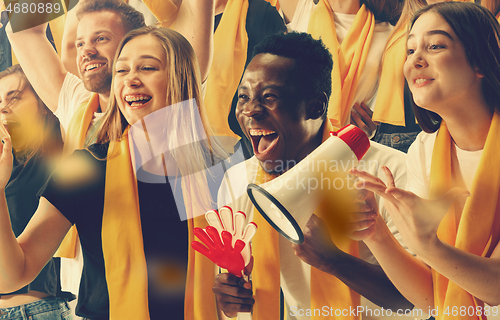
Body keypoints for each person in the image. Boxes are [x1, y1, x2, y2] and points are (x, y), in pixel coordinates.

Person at [0, 26, 225, 320]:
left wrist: (234, 294)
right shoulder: (88, 168)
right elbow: (13, 274)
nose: (131, 79)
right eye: (121, 70)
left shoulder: (218, 168)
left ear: (180, 78)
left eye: (146, 67)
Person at [213, 32, 414, 320]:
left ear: (316, 106)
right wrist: (230, 296)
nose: (249, 110)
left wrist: (334, 260)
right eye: (243, 96)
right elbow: (236, 281)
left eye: (269, 97)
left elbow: (421, 300)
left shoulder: (388, 172)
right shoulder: (237, 182)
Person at [351, 2, 500, 318]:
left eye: (434, 46)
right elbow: (434, 298)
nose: (415, 60)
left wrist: (428, 245)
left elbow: (495, 287)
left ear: (480, 62)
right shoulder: (424, 150)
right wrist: (375, 232)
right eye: (409, 50)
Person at [0, 65, 71, 318]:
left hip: (30, 310)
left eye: (14, 97)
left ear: (43, 102)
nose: (4, 108)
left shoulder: (56, 148)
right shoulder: (8, 165)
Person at [279, 0, 402, 139]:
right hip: (296, 140)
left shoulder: (389, 34)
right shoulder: (301, 11)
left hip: (348, 147)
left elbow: (382, 102)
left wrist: (372, 130)